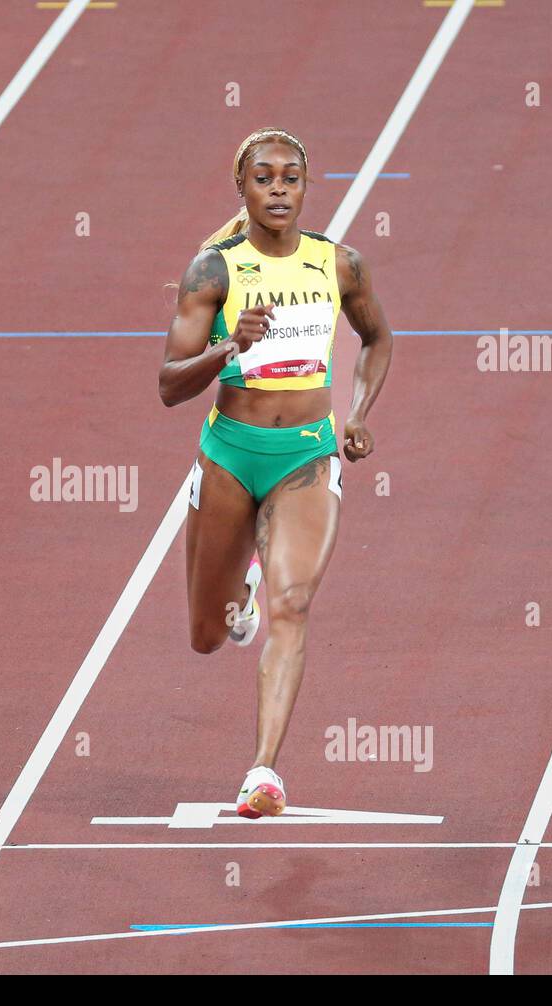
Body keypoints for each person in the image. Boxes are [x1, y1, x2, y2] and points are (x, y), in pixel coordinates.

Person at [158, 127, 393, 817]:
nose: (280, 187)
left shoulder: (339, 264)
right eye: (265, 177)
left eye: (292, 176)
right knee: (208, 633)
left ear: (306, 185)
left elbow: (377, 337)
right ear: (243, 188)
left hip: (308, 455)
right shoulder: (214, 270)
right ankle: (241, 596)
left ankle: (263, 773)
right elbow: (169, 385)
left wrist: (356, 411)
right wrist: (230, 345)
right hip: (230, 454)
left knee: (294, 606)